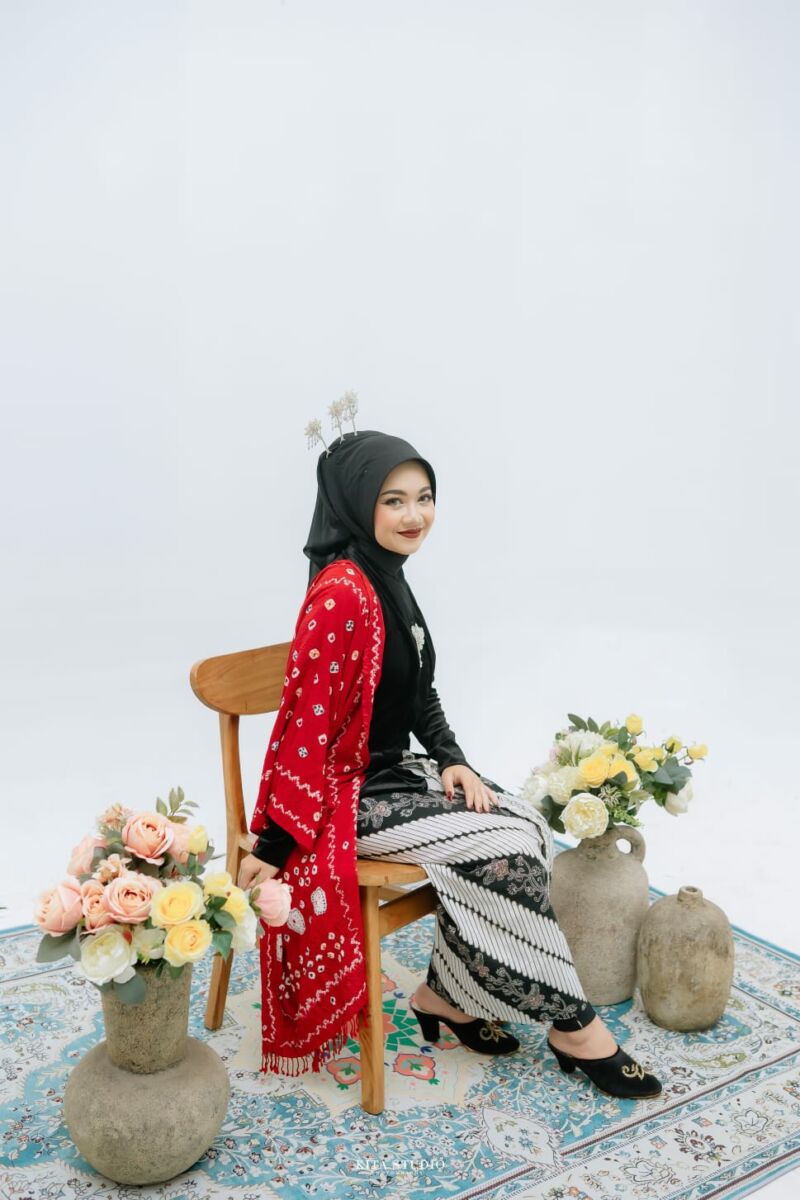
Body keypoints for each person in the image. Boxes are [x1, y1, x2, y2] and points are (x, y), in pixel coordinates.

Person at [239, 427, 663, 1099]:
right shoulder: (343, 592)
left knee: (524, 822)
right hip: (344, 798)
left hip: (392, 774)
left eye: (425, 497)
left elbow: (419, 689)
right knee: (501, 847)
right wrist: (272, 844)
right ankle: (574, 1026)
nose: (415, 516)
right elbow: (305, 731)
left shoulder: (386, 574)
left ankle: (446, 996)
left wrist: (451, 760)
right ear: (356, 505)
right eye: (394, 501)